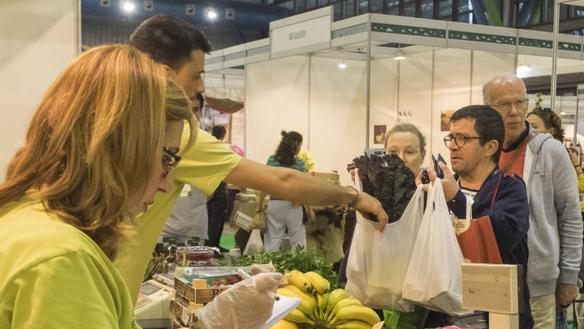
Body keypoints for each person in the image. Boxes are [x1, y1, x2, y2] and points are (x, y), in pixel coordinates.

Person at [0, 44, 282, 329]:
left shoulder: (26, 223)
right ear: (119, 145)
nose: (168, 182)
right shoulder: (60, 259)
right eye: (167, 159)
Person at [121, 15, 386, 298]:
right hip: (104, 294)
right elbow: (282, 180)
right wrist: (353, 197)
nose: (200, 88)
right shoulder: (176, 134)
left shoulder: (114, 121)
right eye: (197, 74)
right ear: (165, 75)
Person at [483, 74, 582, 329]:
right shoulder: (484, 151)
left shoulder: (548, 152)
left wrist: (568, 277)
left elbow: (570, 216)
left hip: (538, 281)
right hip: (491, 280)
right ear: (487, 108)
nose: (514, 111)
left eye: (519, 102)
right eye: (504, 104)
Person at [423, 105, 534, 329]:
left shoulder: (509, 188)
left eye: (463, 139)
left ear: (490, 147)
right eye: (451, 138)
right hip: (445, 323)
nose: (453, 147)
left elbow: (503, 235)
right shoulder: (437, 190)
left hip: (495, 324)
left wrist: (457, 200)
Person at [261, 131, 308, 251]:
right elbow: (304, 188)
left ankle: (268, 266)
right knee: (298, 241)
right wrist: (308, 207)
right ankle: (299, 268)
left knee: (273, 239)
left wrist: (260, 203)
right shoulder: (300, 164)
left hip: (275, 204)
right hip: (294, 204)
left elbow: (265, 184)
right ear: (297, 145)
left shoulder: (272, 161)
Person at [205, 125, 229, 250]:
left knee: (212, 219)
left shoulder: (208, 147)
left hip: (209, 188)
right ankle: (212, 246)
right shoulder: (221, 148)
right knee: (217, 221)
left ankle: (214, 245)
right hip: (219, 190)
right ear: (223, 134)